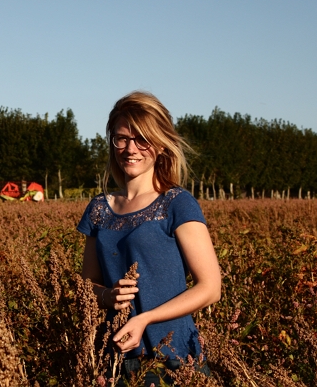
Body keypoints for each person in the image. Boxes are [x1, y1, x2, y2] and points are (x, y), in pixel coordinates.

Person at [77, 91, 221, 386]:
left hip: (173, 358)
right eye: (121, 138)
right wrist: (107, 295)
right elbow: (86, 285)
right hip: (115, 360)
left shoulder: (176, 203)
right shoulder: (99, 209)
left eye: (142, 139)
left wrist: (144, 319)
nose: (131, 149)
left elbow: (210, 288)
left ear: (160, 144)